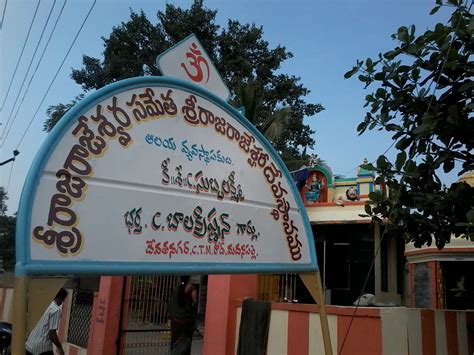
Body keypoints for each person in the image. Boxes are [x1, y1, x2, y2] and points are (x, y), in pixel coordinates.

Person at [25, 288, 68, 355]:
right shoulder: (55, 310)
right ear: (59, 298)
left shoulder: (45, 305)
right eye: (62, 300)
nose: (62, 302)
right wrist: (60, 348)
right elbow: (52, 334)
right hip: (41, 348)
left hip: (29, 344)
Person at [168, 275, 197, 355]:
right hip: (187, 322)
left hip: (175, 321)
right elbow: (194, 302)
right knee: (186, 344)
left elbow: (171, 304)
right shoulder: (191, 289)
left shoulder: (176, 289)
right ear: (189, 278)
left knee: (175, 342)